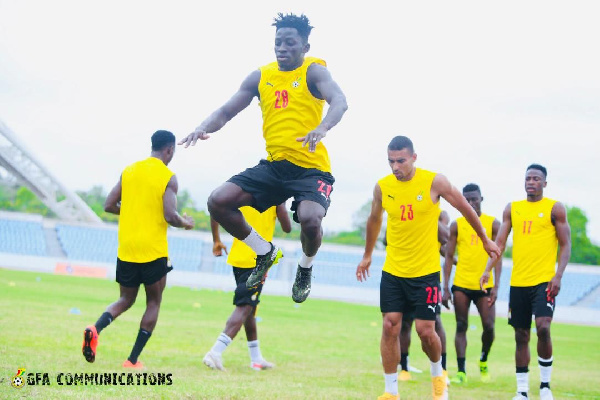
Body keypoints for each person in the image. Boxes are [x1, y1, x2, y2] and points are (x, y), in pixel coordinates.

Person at [178, 13, 347, 303]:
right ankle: (265, 252)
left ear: (304, 46)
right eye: (278, 42)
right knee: (218, 201)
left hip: (311, 169)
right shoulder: (261, 76)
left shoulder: (313, 71)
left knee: (309, 220)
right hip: (275, 167)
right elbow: (225, 111)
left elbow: (340, 101)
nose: (282, 48)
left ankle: (305, 269)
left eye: (289, 42)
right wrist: (201, 127)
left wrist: (322, 127)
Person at [356, 136, 501, 400]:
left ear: (414, 157)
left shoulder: (435, 182)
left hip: (425, 273)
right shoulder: (382, 187)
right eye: (391, 161)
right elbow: (374, 219)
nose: (395, 166)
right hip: (393, 270)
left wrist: (485, 238)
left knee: (426, 331)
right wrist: (367, 255)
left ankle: (438, 375)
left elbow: (464, 207)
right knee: (390, 326)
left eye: (400, 160)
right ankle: (391, 391)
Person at [81, 130, 194, 368]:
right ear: (169, 150)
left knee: (125, 299)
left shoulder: (129, 170)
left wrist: (134, 210)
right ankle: (132, 360)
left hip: (127, 249)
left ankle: (95, 328)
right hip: (153, 250)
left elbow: (109, 205)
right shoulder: (168, 176)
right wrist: (186, 223)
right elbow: (171, 216)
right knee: (153, 302)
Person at [480, 164, 571, 400]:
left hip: (544, 282)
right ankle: (522, 391)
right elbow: (499, 244)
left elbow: (566, 244)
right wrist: (488, 270)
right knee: (521, 335)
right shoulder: (513, 209)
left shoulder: (555, 208)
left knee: (543, 327)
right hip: (518, 283)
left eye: (536, 179)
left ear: (544, 183)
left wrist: (558, 275)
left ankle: (545, 386)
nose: (531, 182)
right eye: (528, 178)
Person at [203, 204, 291, 371]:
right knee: (245, 306)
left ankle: (256, 358)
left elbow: (216, 207)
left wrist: (217, 240)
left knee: (250, 308)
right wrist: (282, 205)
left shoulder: (242, 190)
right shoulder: (276, 196)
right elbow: (287, 227)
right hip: (258, 259)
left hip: (238, 258)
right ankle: (215, 352)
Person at [441, 183, 501, 384]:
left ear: (481, 199)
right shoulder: (457, 225)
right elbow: (448, 257)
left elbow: (497, 256)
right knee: (461, 325)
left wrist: (497, 287)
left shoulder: (493, 224)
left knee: (489, 326)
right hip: (462, 283)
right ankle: (461, 371)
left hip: (485, 285)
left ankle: (483, 359)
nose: (471, 202)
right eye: (466, 199)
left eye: (474, 199)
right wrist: (445, 288)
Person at [398, 211, 452, 384]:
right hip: (406, 277)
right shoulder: (411, 217)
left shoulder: (438, 217)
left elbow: (446, 246)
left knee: (435, 323)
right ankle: (404, 368)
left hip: (429, 280)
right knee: (405, 323)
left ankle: (442, 369)